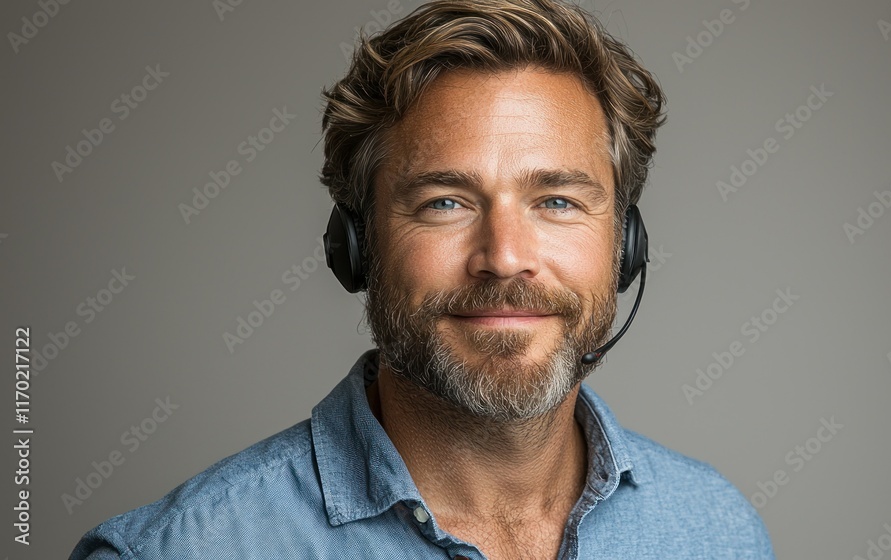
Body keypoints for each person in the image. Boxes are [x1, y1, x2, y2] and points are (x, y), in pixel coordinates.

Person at [70, 0, 774, 558]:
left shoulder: (718, 532)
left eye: (557, 200)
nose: (504, 256)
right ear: (356, 246)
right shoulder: (179, 552)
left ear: (624, 244)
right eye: (446, 202)